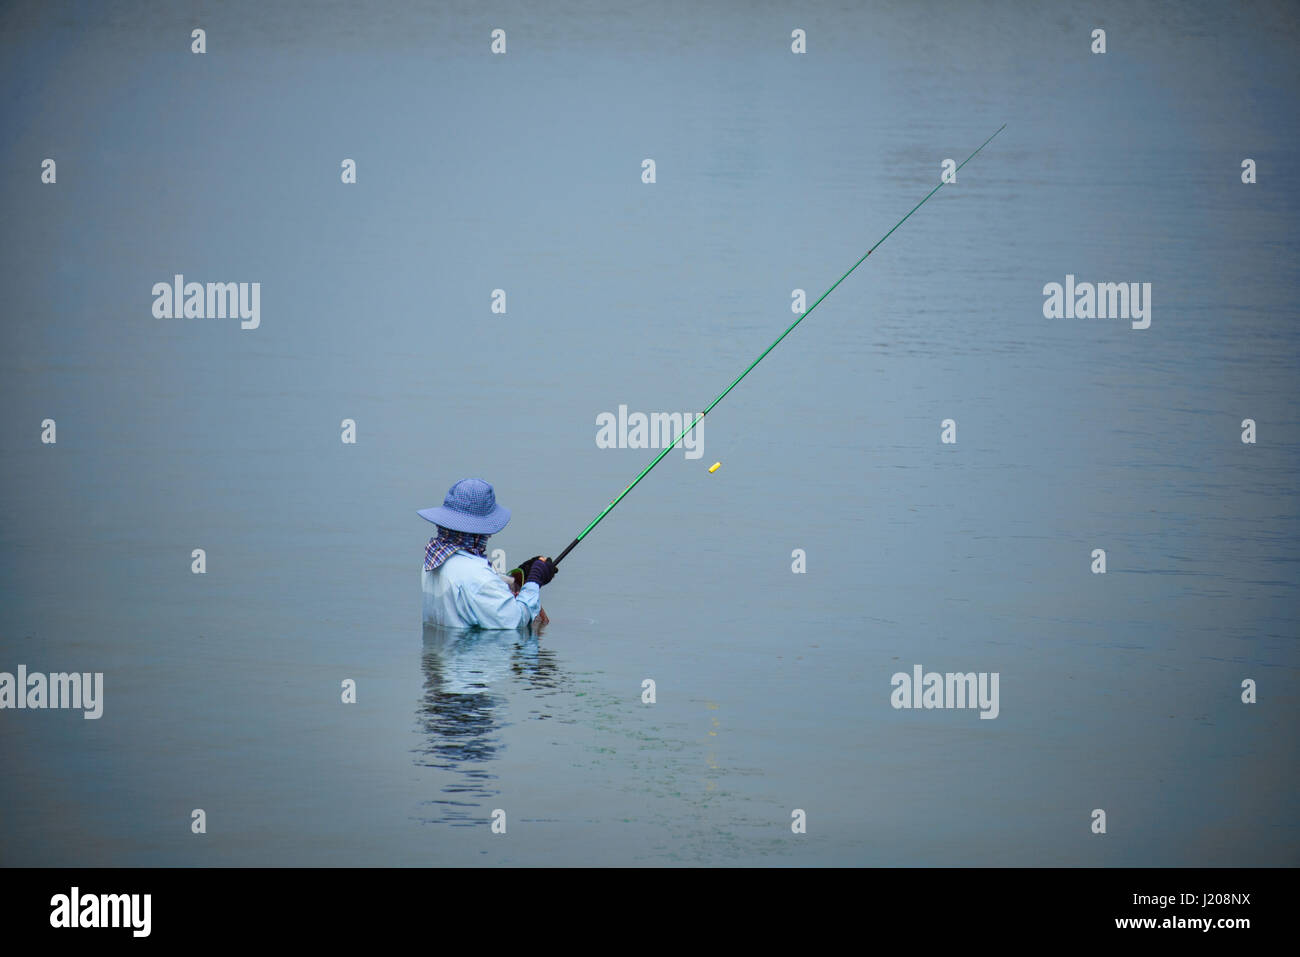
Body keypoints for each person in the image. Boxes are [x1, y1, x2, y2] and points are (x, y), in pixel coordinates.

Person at [419, 478, 557, 629]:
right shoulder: (478, 576)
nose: (489, 536)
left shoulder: (434, 561)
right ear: (478, 533)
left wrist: (517, 579)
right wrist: (534, 582)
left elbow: (474, 594)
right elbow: (515, 621)